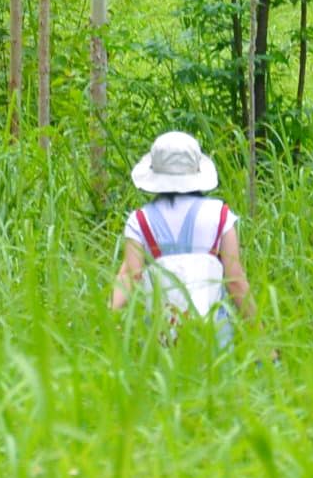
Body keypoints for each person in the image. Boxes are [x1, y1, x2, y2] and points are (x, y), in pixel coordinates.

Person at [109, 131, 256, 346]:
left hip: (163, 337)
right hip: (214, 337)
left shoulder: (140, 221)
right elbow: (236, 283)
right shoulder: (220, 216)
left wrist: (109, 320)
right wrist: (263, 342)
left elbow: (130, 276)